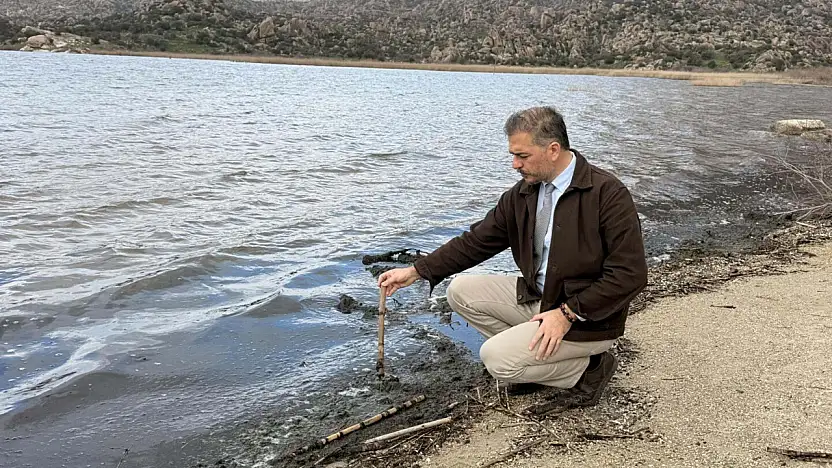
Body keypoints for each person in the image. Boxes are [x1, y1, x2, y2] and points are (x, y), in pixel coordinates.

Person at [378, 106, 647, 410]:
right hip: (541, 298)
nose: (515, 165)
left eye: (522, 156)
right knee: (460, 291)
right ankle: (536, 362)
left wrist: (568, 313)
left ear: (553, 150)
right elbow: (476, 241)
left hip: (589, 318)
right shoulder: (523, 194)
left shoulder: (607, 193)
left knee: (495, 359)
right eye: (513, 155)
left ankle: (590, 369)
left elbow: (630, 274)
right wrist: (417, 270)